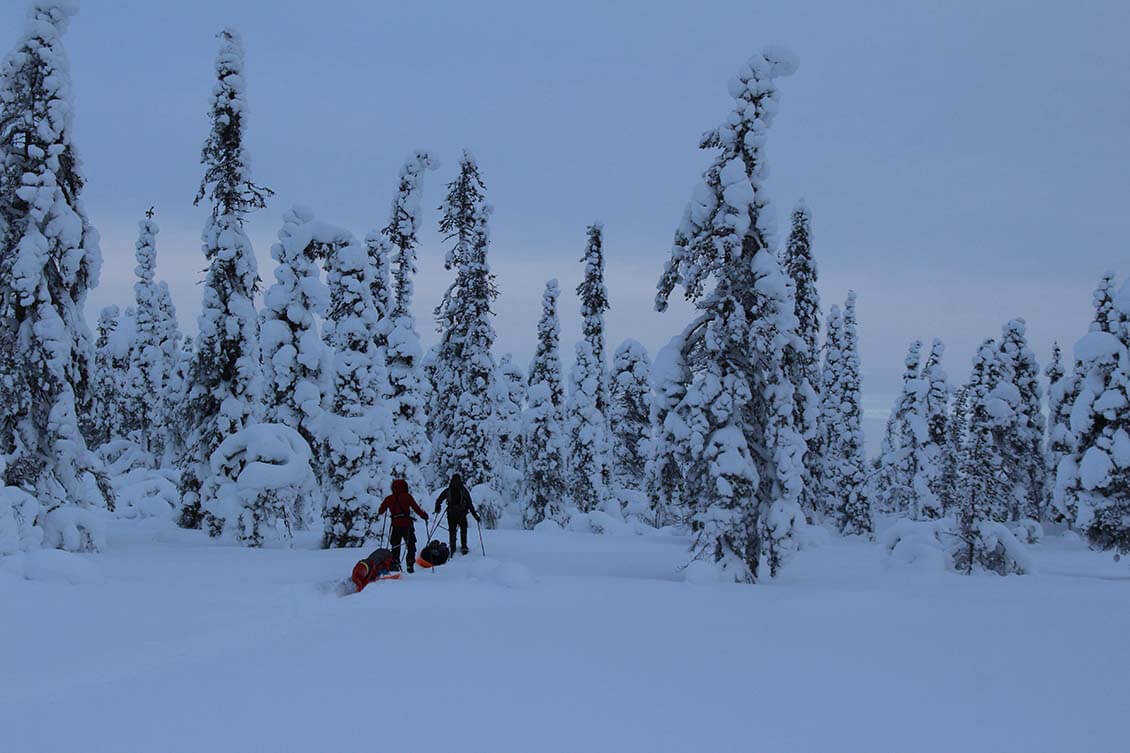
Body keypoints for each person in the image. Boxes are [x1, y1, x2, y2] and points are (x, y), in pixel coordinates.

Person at [377, 479, 428, 573]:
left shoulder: (389, 498)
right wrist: (424, 516)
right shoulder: (407, 497)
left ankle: (395, 564)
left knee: (395, 546)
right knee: (411, 545)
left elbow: (381, 511)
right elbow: (416, 508)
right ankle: (409, 564)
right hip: (407, 525)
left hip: (395, 526)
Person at [434, 473, 480, 555]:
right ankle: (464, 546)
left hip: (451, 513)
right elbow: (469, 503)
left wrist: (437, 508)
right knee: (463, 529)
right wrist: (475, 516)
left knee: (452, 530)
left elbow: (439, 499)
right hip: (461, 513)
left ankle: (453, 547)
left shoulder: (448, 490)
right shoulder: (463, 490)